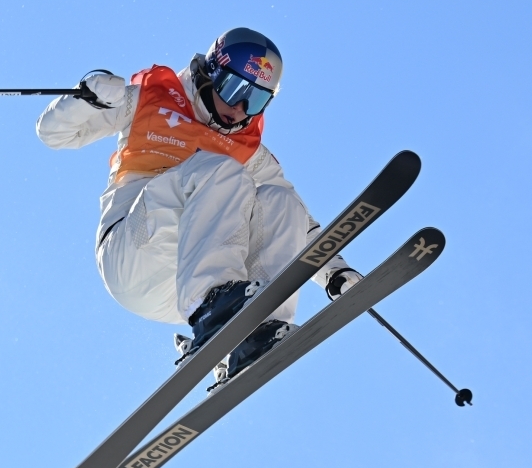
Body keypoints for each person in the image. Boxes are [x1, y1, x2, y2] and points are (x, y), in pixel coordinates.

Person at [37, 28, 362, 389]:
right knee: (222, 170)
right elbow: (54, 134)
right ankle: (214, 310)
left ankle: (256, 334)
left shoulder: (248, 147)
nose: (240, 109)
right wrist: (88, 100)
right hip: (133, 250)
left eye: (255, 100)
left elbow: (299, 222)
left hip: (178, 288)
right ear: (213, 74)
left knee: (279, 200)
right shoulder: (151, 99)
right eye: (236, 91)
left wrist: (334, 271)